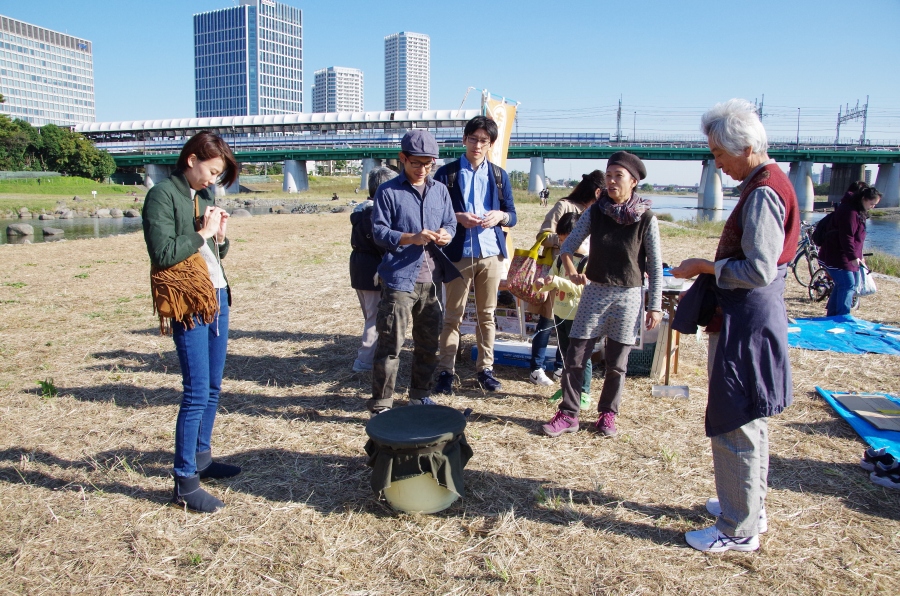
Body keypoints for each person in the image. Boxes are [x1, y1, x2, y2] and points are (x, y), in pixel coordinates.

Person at [671, 98, 800, 553]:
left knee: (736, 420)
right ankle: (749, 505)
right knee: (750, 416)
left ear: (745, 146)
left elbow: (760, 268)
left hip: (745, 321)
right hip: (751, 318)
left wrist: (705, 266)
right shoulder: (770, 182)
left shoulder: (763, 191)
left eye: (719, 154)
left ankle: (737, 528)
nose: (716, 164)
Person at [141, 131, 240, 513]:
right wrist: (202, 232)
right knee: (196, 390)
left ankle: (202, 458)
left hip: (215, 295)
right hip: (188, 301)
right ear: (192, 159)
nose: (212, 180)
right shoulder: (162, 195)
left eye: (217, 175)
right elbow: (164, 253)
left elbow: (213, 254)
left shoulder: (200, 197)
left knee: (213, 386)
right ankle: (184, 481)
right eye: (211, 171)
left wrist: (220, 235)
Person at [541, 153, 662, 438]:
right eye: (608, 175)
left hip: (629, 295)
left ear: (633, 182)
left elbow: (655, 266)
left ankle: (607, 415)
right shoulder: (596, 212)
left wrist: (654, 306)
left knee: (617, 364)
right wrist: (570, 269)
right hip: (594, 292)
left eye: (617, 176)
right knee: (575, 355)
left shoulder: (646, 218)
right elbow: (568, 245)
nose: (610, 181)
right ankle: (569, 413)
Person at [368, 130, 460, 416]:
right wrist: (410, 237)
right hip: (399, 279)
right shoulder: (389, 191)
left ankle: (420, 395)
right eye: (416, 163)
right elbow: (379, 232)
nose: (422, 170)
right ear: (402, 159)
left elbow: (450, 222)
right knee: (391, 343)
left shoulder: (440, 190)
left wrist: (447, 234)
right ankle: (382, 402)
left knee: (428, 344)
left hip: (432, 280)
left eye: (428, 164)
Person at [431, 115, 517, 395]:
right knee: (452, 315)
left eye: (484, 140)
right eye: (473, 139)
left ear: (491, 144)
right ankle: (446, 370)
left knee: (487, 315)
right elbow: (433, 214)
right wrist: (456, 218)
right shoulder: (447, 173)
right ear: (464, 139)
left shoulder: (499, 175)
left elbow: (513, 215)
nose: (478, 145)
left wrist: (500, 216)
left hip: (490, 253)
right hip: (457, 253)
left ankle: (485, 369)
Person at [529, 170, 605, 386]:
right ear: (596, 191)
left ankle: (562, 369)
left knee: (571, 329)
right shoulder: (565, 206)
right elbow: (542, 235)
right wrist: (566, 241)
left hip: (580, 274)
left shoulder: (598, 212)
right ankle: (537, 367)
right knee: (547, 322)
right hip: (557, 271)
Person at [532, 212, 592, 407]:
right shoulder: (559, 259)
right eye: (560, 240)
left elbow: (582, 289)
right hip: (560, 313)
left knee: (581, 355)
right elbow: (551, 279)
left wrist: (557, 281)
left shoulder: (587, 261)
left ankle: (583, 391)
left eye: (565, 240)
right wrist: (540, 284)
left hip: (580, 316)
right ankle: (567, 388)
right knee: (565, 353)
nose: (562, 244)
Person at [349, 166, 398, 373]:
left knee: (370, 314)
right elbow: (382, 243)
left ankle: (370, 356)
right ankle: (364, 362)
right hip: (373, 268)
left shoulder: (360, 210)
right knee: (375, 318)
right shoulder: (374, 213)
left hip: (359, 266)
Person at [817, 182, 881, 316]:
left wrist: (859, 255)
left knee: (842, 285)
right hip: (839, 256)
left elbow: (856, 238)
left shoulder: (855, 211)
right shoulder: (850, 212)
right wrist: (852, 256)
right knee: (848, 285)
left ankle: (832, 316)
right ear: (864, 199)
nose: (873, 207)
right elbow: (847, 237)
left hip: (844, 256)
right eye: (872, 204)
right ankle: (842, 316)